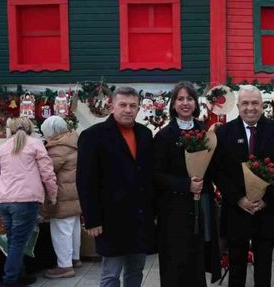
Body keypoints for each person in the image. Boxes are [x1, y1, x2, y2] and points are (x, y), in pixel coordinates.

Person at [76, 86, 156, 287]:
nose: (128, 110)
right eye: (123, 105)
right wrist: (92, 219)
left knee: (136, 271)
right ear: (112, 106)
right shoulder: (93, 136)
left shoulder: (145, 134)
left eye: (133, 106)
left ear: (138, 109)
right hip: (110, 218)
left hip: (139, 218)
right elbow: (85, 180)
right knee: (111, 274)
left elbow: (149, 175)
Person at [213, 85, 274, 287]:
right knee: (236, 264)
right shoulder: (224, 134)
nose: (250, 107)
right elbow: (219, 172)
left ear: (262, 105)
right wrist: (239, 199)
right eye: (245, 103)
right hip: (236, 211)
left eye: (255, 103)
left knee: (264, 266)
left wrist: (266, 200)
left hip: (267, 211)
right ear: (237, 106)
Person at [153, 82, 221, 286]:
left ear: (195, 103)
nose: (185, 103)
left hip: (201, 207)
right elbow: (156, 175)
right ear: (173, 104)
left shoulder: (205, 133)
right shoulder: (164, 136)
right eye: (180, 99)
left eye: (189, 99)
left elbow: (214, 168)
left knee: (198, 260)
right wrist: (185, 185)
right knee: (176, 261)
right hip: (174, 210)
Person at [0, 117, 57, 287]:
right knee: (18, 242)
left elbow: (3, 171)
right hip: (25, 199)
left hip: (3, 200)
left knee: (13, 240)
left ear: (11, 129)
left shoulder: (3, 147)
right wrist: (52, 195)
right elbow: (47, 173)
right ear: (31, 128)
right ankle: (10, 280)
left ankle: (20, 275)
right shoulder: (36, 144)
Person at [40, 115, 82, 279]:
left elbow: (48, 171)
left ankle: (64, 266)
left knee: (61, 230)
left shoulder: (58, 148)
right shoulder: (73, 142)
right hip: (74, 192)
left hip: (62, 194)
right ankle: (75, 258)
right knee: (73, 227)